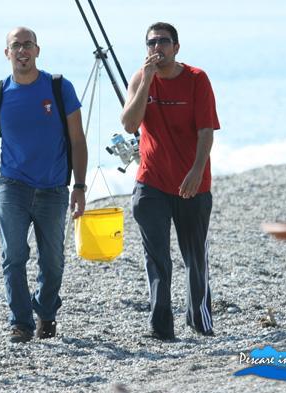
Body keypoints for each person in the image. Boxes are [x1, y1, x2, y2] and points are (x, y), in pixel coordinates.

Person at [0, 27, 88, 343]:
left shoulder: (59, 87)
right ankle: (21, 323)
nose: (22, 51)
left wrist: (79, 187)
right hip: (13, 186)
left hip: (54, 188)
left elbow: (78, 141)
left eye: (28, 45)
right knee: (13, 256)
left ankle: (46, 313)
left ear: (37, 50)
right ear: (7, 53)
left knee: (53, 261)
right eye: (16, 46)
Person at [120, 22, 220, 340]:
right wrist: (147, 80)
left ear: (176, 47)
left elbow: (206, 131)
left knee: (195, 257)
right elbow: (129, 124)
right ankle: (161, 327)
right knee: (157, 258)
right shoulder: (141, 77)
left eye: (163, 41)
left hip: (192, 183)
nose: (157, 47)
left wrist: (196, 170)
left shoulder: (197, 79)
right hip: (151, 182)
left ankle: (199, 320)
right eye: (151, 42)